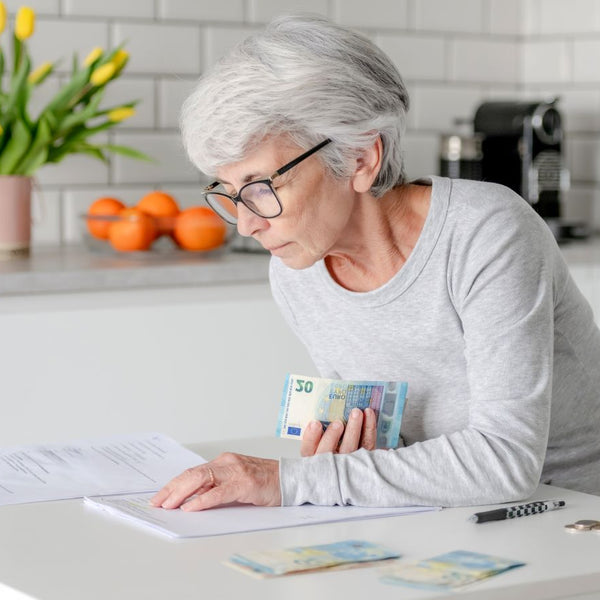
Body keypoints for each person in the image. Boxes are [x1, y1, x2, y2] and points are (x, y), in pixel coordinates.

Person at [151, 14, 600, 512]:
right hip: (451, 514)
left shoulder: (487, 233)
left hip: (574, 514)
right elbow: (395, 452)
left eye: (263, 187)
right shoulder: (297, 271)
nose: (246, 224)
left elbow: (505, 461)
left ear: (362, 158)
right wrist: (352, 454)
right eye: (230, 194)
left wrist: (294, 481)